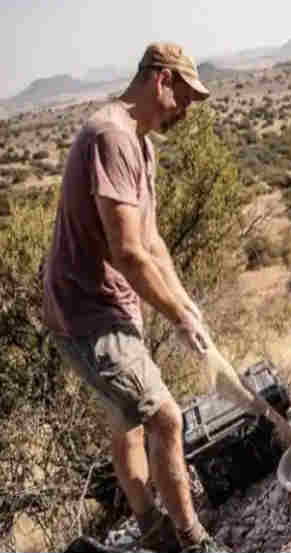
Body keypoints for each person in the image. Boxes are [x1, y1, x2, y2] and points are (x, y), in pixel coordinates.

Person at [42, 43, 228, 553]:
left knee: (127, 422)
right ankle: (191, 541)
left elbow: (151, 243)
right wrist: (174, 314)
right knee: (165, 415)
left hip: (114, 304)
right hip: (85, 312)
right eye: (184, 99)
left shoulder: (142, 145)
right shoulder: (112, 137)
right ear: (161, 81)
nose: (186, 112)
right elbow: (127, 252)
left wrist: (185, 305)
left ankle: (151, 530)